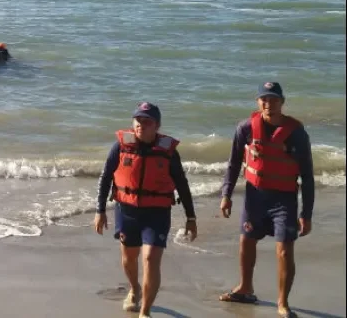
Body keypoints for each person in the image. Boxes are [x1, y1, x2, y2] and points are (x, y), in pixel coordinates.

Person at [218, 82, 314, 318]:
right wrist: (226, 194)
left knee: (284, 251)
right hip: (255, 197)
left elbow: (307, 176)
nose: (269, 104)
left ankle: (283, 303)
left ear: (282, 102)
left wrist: (306, 214)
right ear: (258, 102)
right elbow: (233, 163)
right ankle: (245, 288)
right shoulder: (245, 128)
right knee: (246, 242)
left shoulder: (297, 134)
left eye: (274, 100)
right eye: (264, 99)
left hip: (284, 200)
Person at [94, 102, 198, 318]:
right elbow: (105, 177)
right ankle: (135, 289)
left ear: (157, 126)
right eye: (138, 120)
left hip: (156, 213)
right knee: (129, 258)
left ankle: (145, 311)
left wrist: (191, 217)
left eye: (147, 121)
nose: (141, 125)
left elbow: (182, 184)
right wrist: (100, 210)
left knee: (150, 258)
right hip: (127, 211)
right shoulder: (120, 147)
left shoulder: (168, 153)